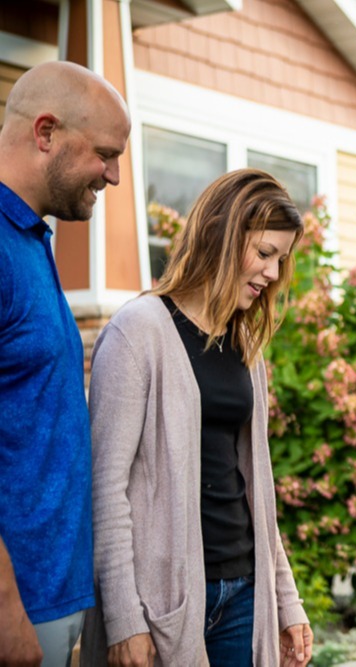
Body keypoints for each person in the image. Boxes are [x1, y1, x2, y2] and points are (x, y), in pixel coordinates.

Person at [80, 169, 314, 666]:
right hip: (164, 601)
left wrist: (285, 600)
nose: (273, 274)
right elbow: (105, 487)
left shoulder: (246, 346)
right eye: (265, 253)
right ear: (222, 236)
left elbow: (258, 486)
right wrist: (124, 617)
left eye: (282, 259)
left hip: (244, 594)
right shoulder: (137, 333)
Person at [0, 61, 131, 666]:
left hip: (54, 595)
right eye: (105, 153)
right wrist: (6, 610)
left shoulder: (29, 236)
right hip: (18, 604)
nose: (115, 175)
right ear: (46, 133)